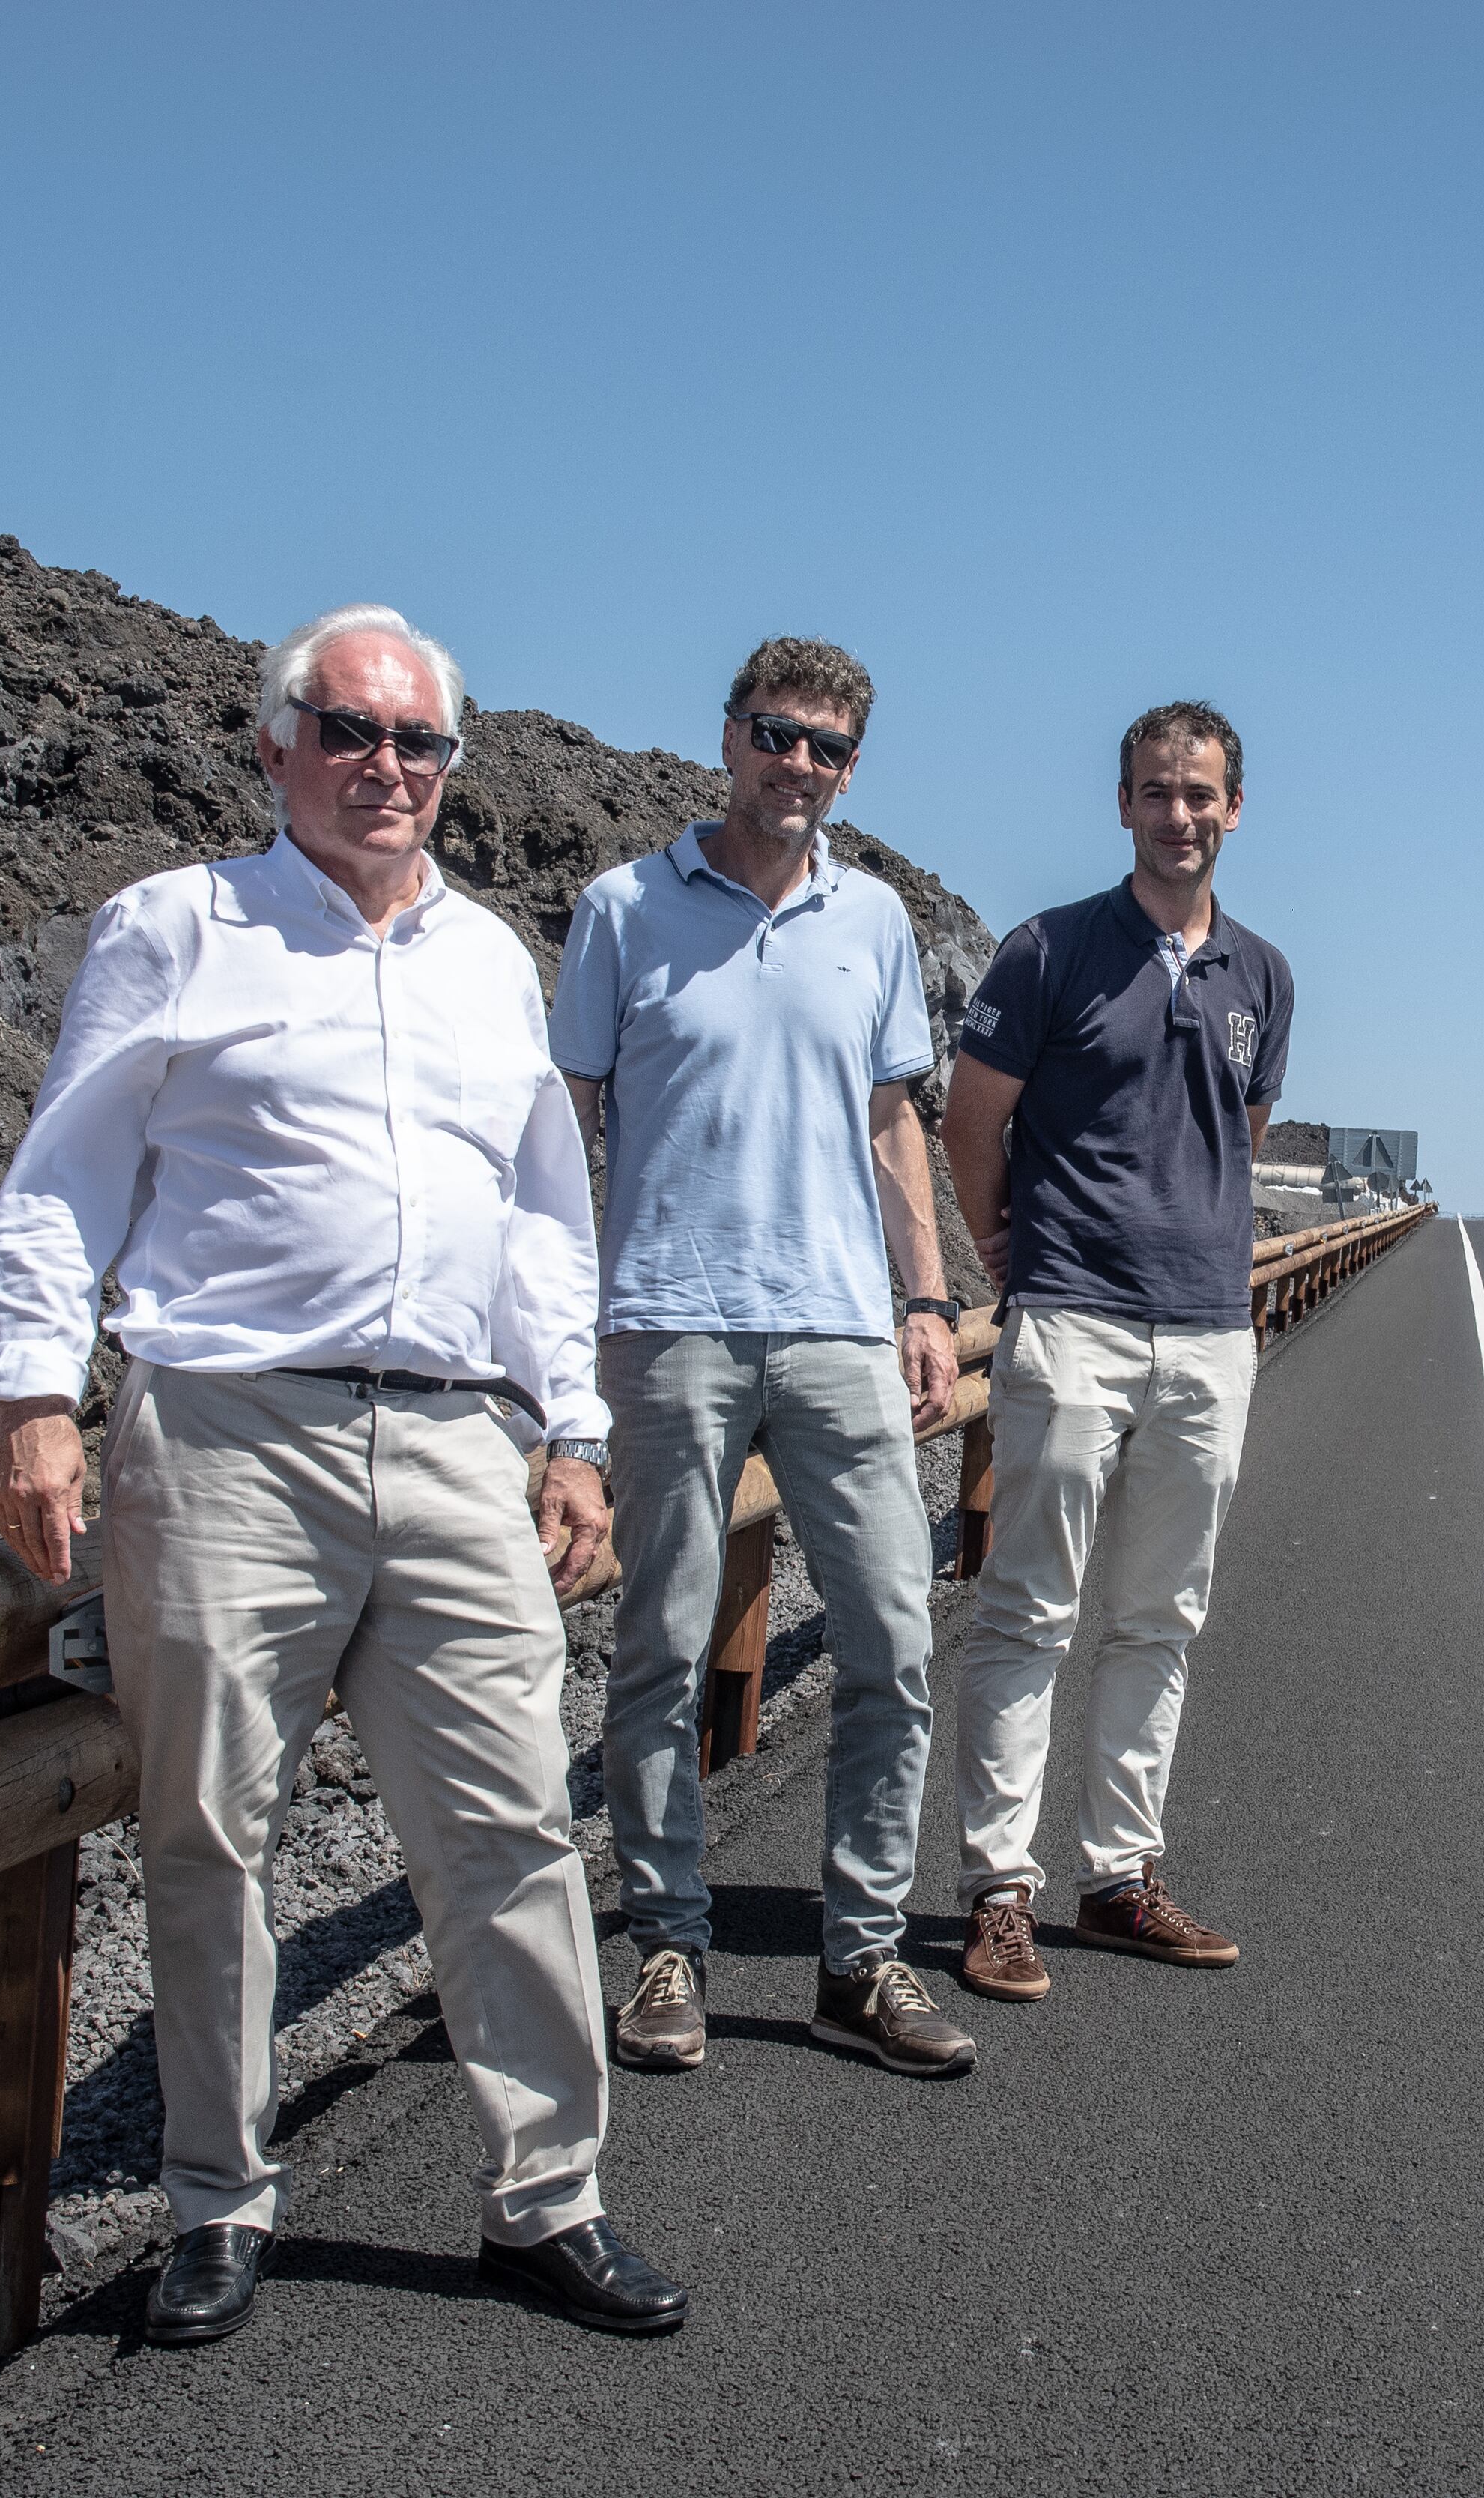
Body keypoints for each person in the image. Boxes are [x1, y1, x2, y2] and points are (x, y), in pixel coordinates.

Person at [0, 603, 684, 2346]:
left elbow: (539, 1213)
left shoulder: (489, 961)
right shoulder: (177, 927)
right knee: (215, 1824)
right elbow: (63, 1176)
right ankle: (219, 2197)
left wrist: (573, 1428)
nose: (388, 767)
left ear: (454, 763)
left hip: (455, 1435)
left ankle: (551, 2193)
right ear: (277, 743)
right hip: (229, 1428)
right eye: (352, 732)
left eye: (419, 741)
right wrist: (33, 1394)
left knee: (513, 1820)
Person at [550, 636, 977, 2079]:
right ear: (728, 736)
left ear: (854, 766)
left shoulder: (877, 920)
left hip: (844, 1322)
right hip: (668, 1322)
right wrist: (556, 1340)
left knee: (895, 1643)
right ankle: (667, 1936)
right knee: (658, 1645)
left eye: (830, 748)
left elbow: (894, 1120)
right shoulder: (623, 908)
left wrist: (928, 1299)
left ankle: (859, 1959)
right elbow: (565, 1128)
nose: (800, 766)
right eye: (778, 735)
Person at [936, 700, 1293, 2003]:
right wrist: (1007, 1256)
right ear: (1124, 806)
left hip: (1205, 1333)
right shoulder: (1049, 951)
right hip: (1073, 1318)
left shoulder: (1263, 974)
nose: (1178, 814)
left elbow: (1241, 1134)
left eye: (1199, 793)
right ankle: (999, 1890)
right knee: (1030, 1607)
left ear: (1234, 806)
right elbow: (975, 1121)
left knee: (1160, 1617)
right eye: (1154, 791)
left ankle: (1119, 1875)